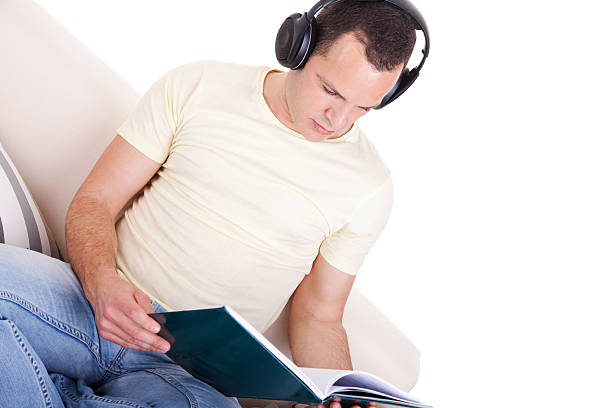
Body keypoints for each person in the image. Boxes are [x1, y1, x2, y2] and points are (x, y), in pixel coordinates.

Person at [0, 0, 427, 407]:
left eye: (362, 107)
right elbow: (96, 199)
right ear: (299, 46)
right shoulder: (198, 86)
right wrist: (102, 284)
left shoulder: (369, 187)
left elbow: (319, 315)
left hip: (189, 372)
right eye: (331, 90)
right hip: (87, 303)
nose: (338, 120)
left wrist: (343, 394)